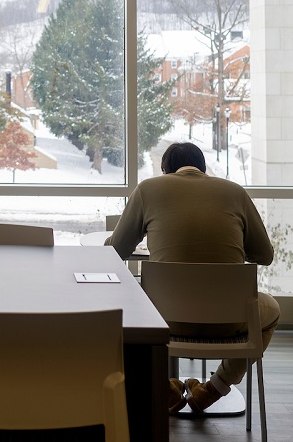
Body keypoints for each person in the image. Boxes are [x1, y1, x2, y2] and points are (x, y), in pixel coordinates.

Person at [106, 141, 280, 414]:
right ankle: (214, 389)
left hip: (163, 321)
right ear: (203, 169)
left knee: (122, 309)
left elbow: (115, 252)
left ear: (166, 170)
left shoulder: (149, 189)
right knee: (272, 311)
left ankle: (165, 391)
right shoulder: (235, 192)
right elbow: (265, 255)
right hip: (231, 320)